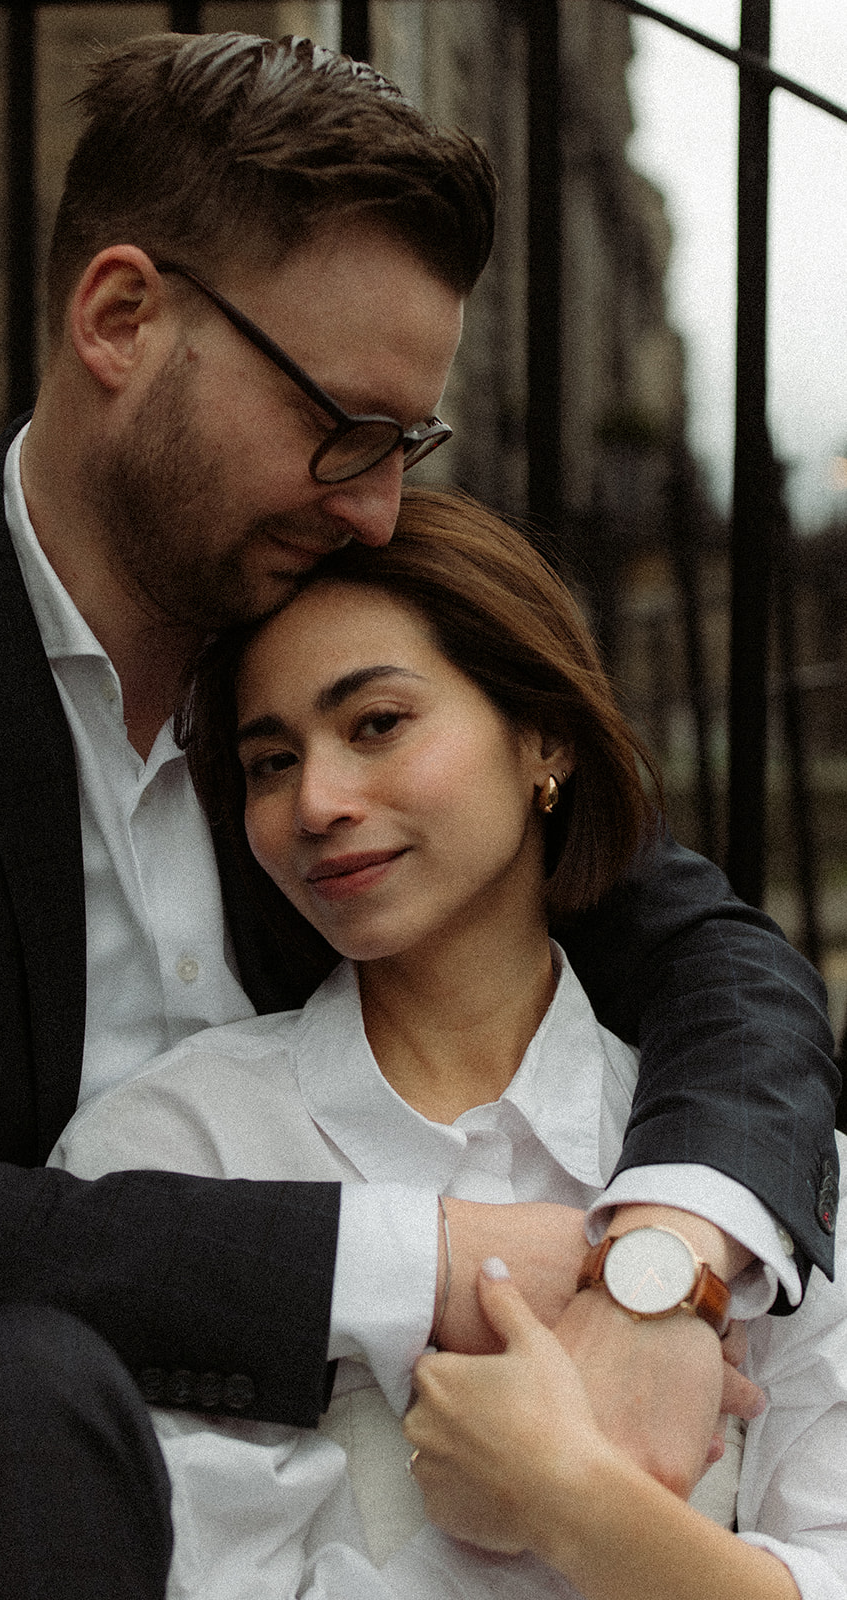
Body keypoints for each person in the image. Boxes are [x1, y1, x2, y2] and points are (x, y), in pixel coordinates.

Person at [0, 28, 837, 1600]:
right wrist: (442, 1256)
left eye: (405, 446)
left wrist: (661, 1268)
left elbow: (718, 965)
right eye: (339, 425)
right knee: (17, 1390)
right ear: (120, 317)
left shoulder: (325, 636)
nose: (375, 505)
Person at [53, 485, 847, 1600]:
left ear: (543, 735)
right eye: (271, 761)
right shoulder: (173, 1154)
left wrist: (570, 1497)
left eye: (376, 723)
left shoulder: (763, 1195)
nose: (316, 801)